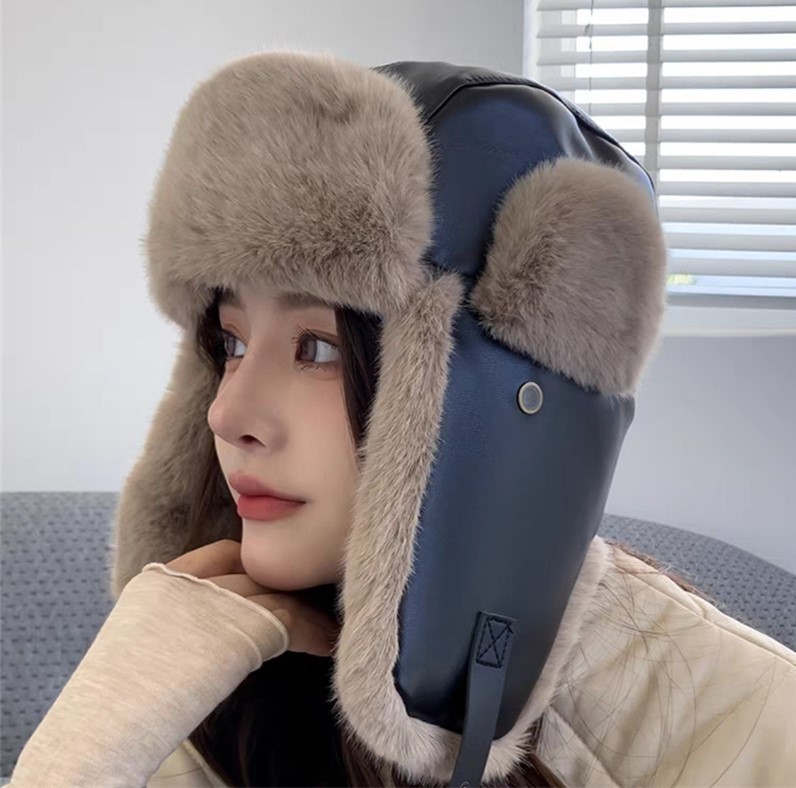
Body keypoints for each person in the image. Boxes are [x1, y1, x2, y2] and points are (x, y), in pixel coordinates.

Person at [8, 50, 796, 788]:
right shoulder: (213, 660)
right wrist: (106, 721)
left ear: (483, 405)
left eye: (317, 347)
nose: (227, 411)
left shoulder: (746, 721)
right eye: (232, 342)